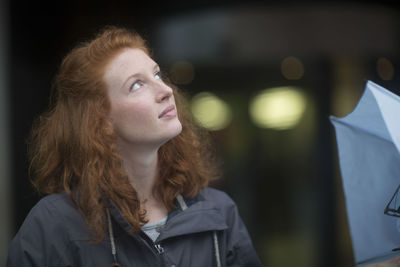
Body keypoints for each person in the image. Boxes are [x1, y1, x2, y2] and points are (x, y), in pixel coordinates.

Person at [6, 26, 262, 266]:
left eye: (157, 74)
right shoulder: (52, 226)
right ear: (101, 121)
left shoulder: (219, 212)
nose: (165, 90)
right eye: (137, 85)